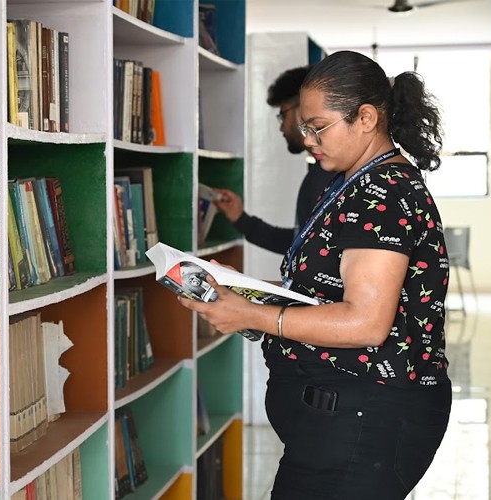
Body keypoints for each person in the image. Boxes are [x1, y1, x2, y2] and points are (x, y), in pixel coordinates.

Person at [178, 50, 451, 499]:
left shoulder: (379, 192)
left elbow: (365, 322)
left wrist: (253, 316)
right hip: (343, 419)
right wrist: (247, 292)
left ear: (365, 117)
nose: (307, 139)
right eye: (304, 127)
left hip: (366, 419)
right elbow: (323, 290)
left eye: (318, 126)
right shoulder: (353, 181)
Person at [213, 65, 334, 254]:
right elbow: (301, 243)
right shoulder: (320, 172)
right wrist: (241, 218)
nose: (282, 128)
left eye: (282, 115)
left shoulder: (329, 174)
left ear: (302, 110)